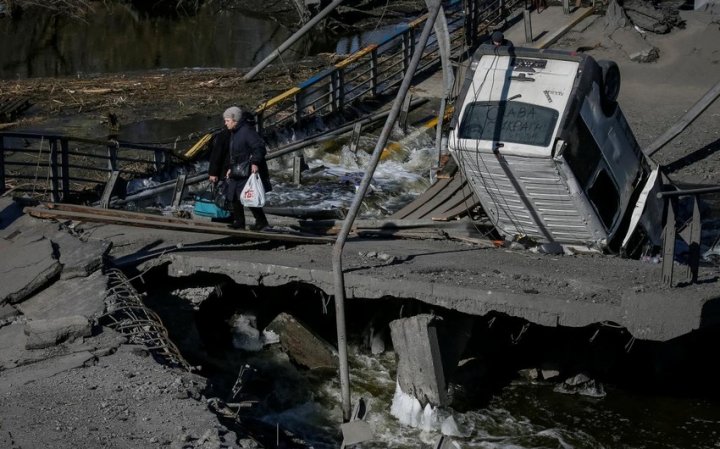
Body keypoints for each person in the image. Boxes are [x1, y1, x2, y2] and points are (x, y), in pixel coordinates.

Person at [208, 106, 271, 230]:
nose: (225, 123)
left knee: (249, 196)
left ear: (234, 119)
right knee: (233, 196)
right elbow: (233, 153)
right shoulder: (234, 132)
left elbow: (259, 148)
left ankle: (261, 222)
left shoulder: (247, 131)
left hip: (246, 169)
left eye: (227, 120)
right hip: (237, 169)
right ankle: (239, 222)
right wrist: (230, 168)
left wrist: (255, 162)